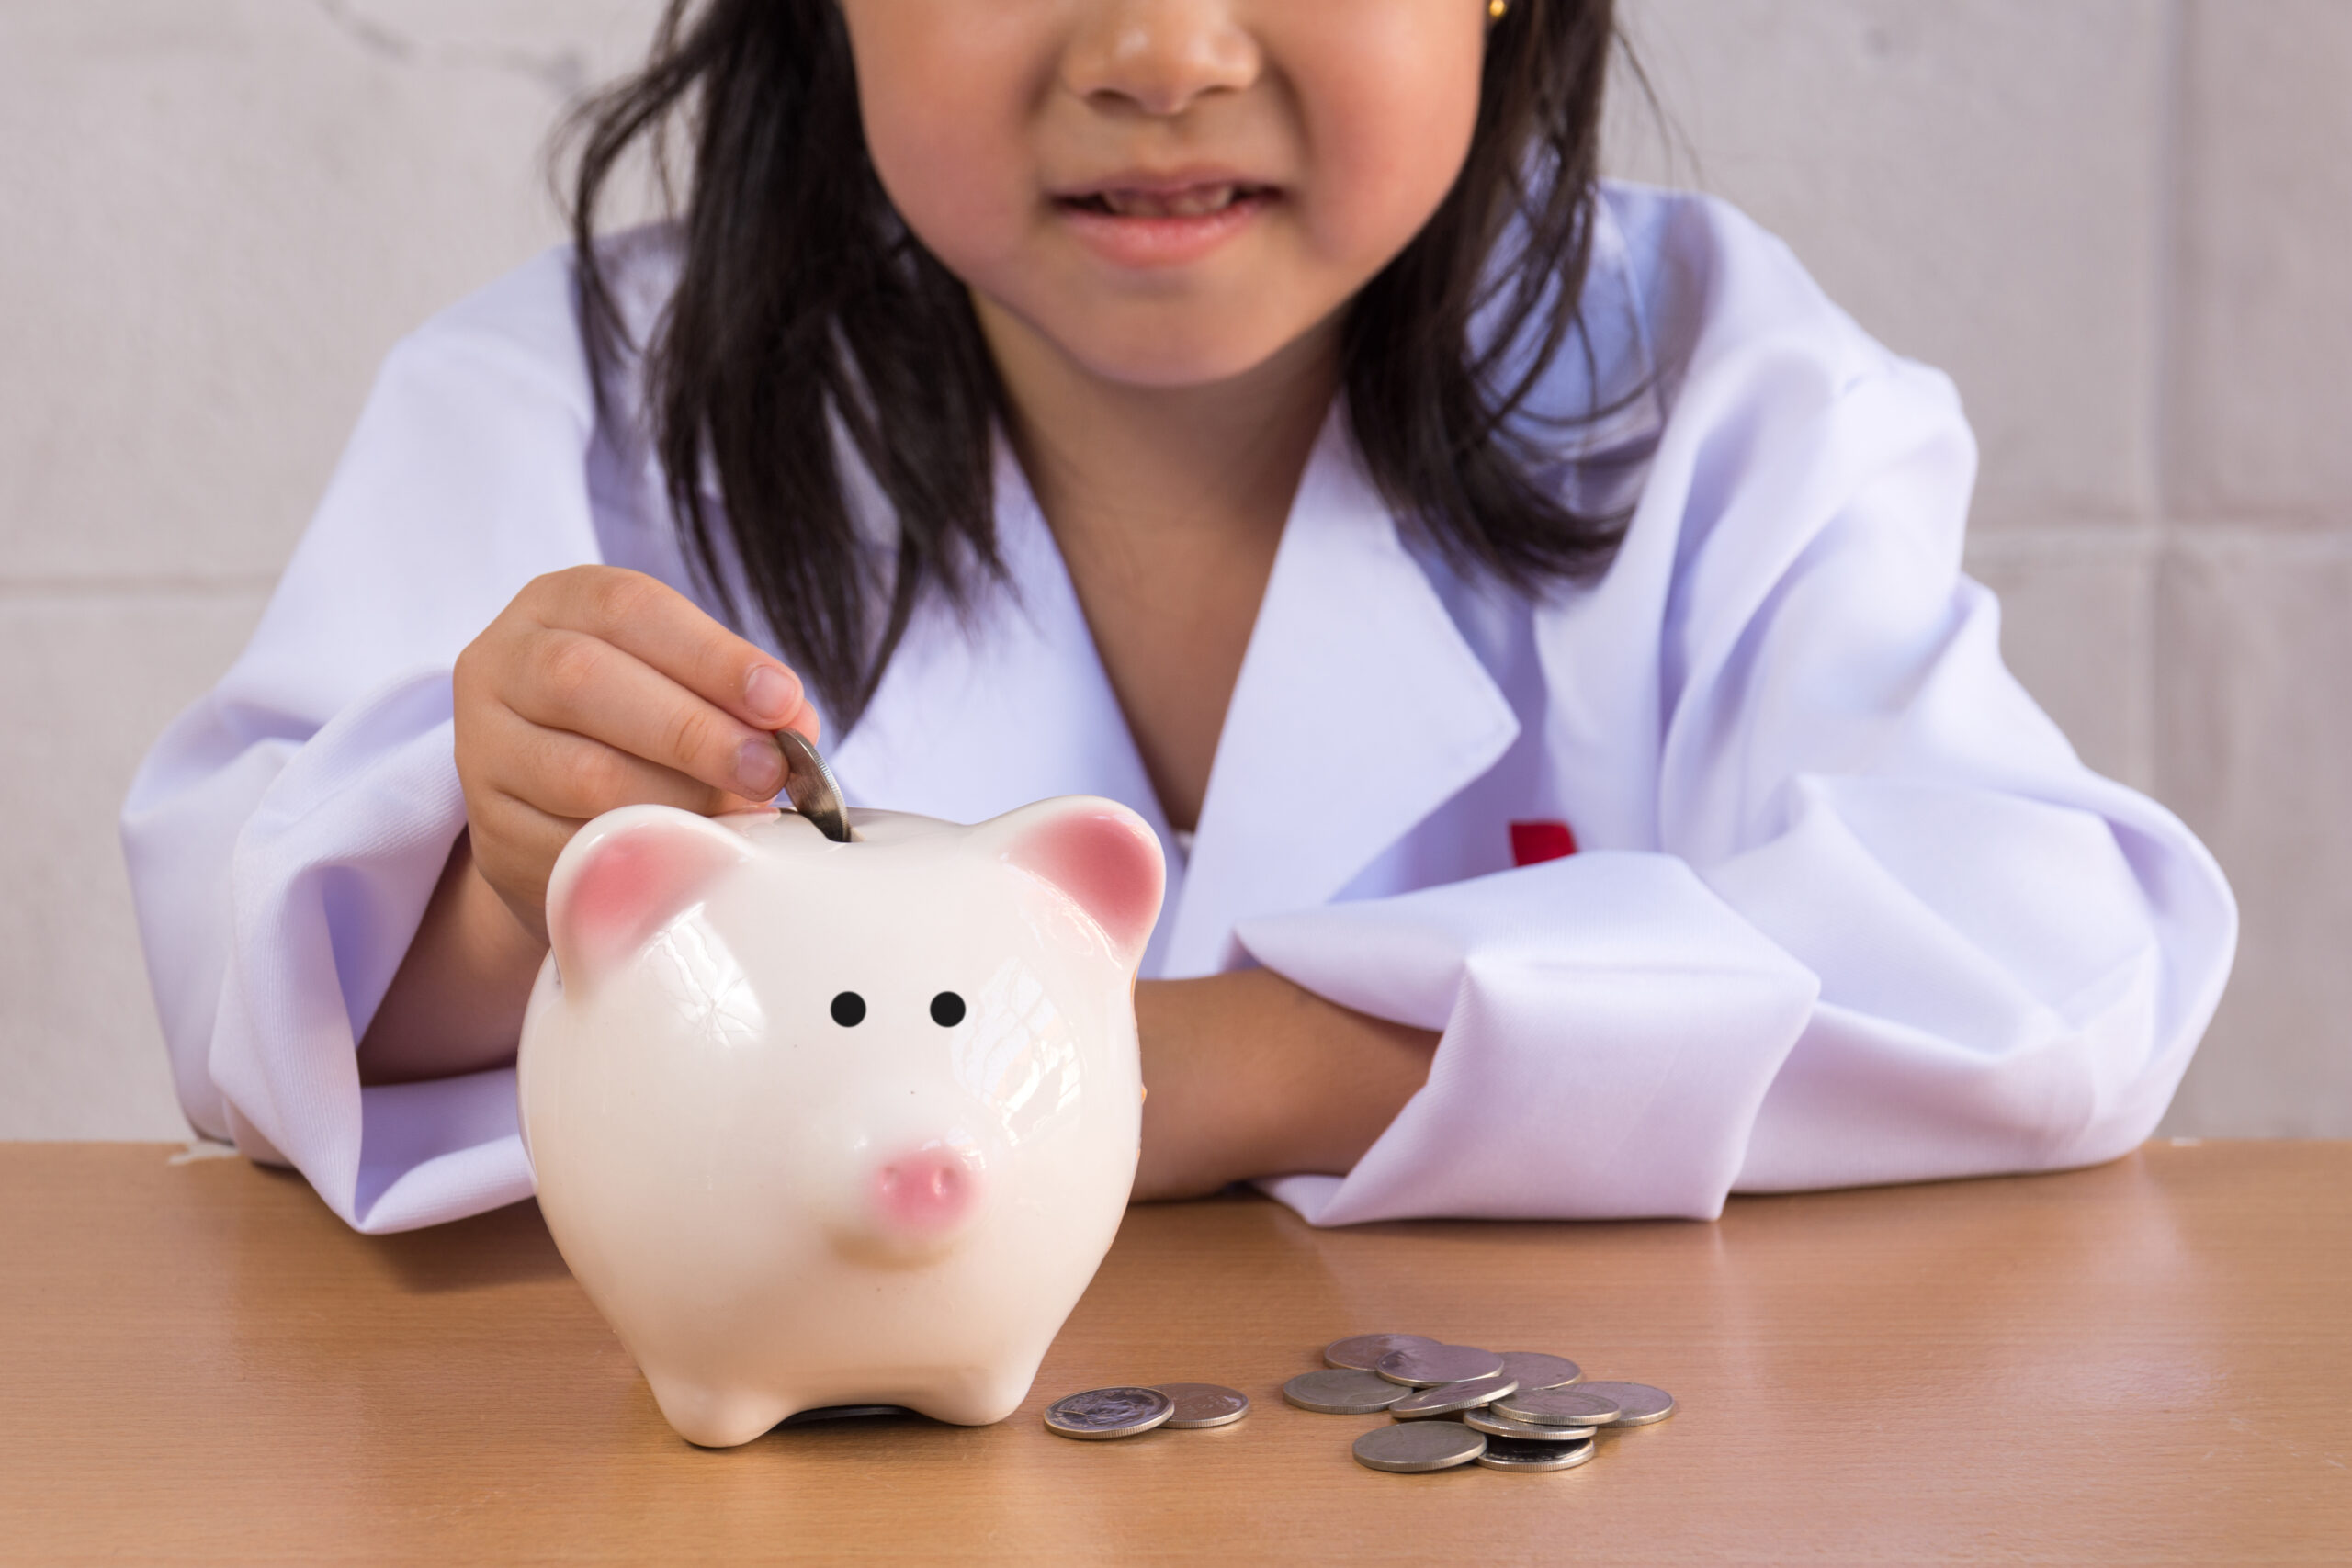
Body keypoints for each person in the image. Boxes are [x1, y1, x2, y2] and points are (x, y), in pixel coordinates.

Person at [122, 0, 2235, 1236]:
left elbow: (2048, 966)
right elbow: (255, 976)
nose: (1160, 54)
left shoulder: (1719, 396)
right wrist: (503, 885)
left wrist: (1215, 1064)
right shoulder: (577, 406)